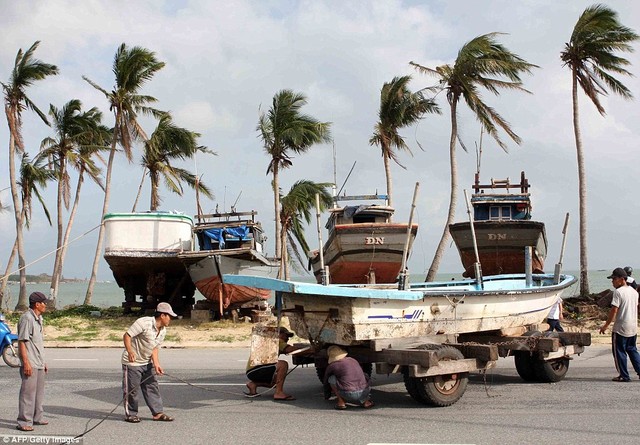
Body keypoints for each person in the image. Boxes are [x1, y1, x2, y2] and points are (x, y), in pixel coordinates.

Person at [122, 302, 177, 423]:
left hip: (147, 362)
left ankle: (157, 413)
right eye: (169, 316)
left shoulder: (162, 330)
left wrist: (157, 364)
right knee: (132, 390)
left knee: (152, 387)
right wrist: (130, 351)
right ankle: (131, 414)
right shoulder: (144, 322)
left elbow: (155, 348)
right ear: (162, 315)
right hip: (133, 363)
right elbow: (127, 336)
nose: (170, 319)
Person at [599, 267, 640, 382]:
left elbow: (614, 310)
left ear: (622, 279)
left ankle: (624, 375)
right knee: (632, 350)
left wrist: (606, 325)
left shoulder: (618, 292)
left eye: (614, 279)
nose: (612, 281)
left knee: (619, 351)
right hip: (633, 326)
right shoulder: (634, 292)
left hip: (621, 327)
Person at [17, 292, 50, 431]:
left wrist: (44, 362)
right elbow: (22, 342)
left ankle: (37, 417)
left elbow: (37, 343)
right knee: (27, 394)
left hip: (39, 362)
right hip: (30, 362)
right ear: (37, 304)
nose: (45, 305)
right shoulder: (27, 318)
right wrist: (26, 363)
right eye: (43, 303)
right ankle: (24, 421)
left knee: (39, 393)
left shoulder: (39, 319)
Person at [245, 326, 303, 401]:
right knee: (283, 364)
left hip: (251, 371)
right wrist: (310, 350)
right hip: (256, 369)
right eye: (286, 336)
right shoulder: (276, 340)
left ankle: (253, 384)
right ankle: (278, 393)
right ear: (279, 334)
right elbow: (290, 349)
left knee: (277, 382)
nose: (287, 339)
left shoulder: (269, 341)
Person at [323, 345, 374, 410]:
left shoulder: (332, 366)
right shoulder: (353, 360)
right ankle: (366, 402)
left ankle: (341, 403)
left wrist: (327, 395)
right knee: (363, 375)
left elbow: (326, 380)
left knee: (331, 378)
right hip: (364, 392)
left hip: (348, 394)